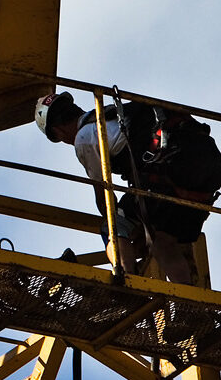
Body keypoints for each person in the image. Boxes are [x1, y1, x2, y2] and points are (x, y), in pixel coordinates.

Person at [35, 91, 221, 284]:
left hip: (168, 175)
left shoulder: (85, 137)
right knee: (162, 243)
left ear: (58, 132)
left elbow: (105, 198)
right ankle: (188, 302)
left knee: (113, 227)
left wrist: (130, 229)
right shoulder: (114, 115)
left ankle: (127, 280)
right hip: (205, 173)